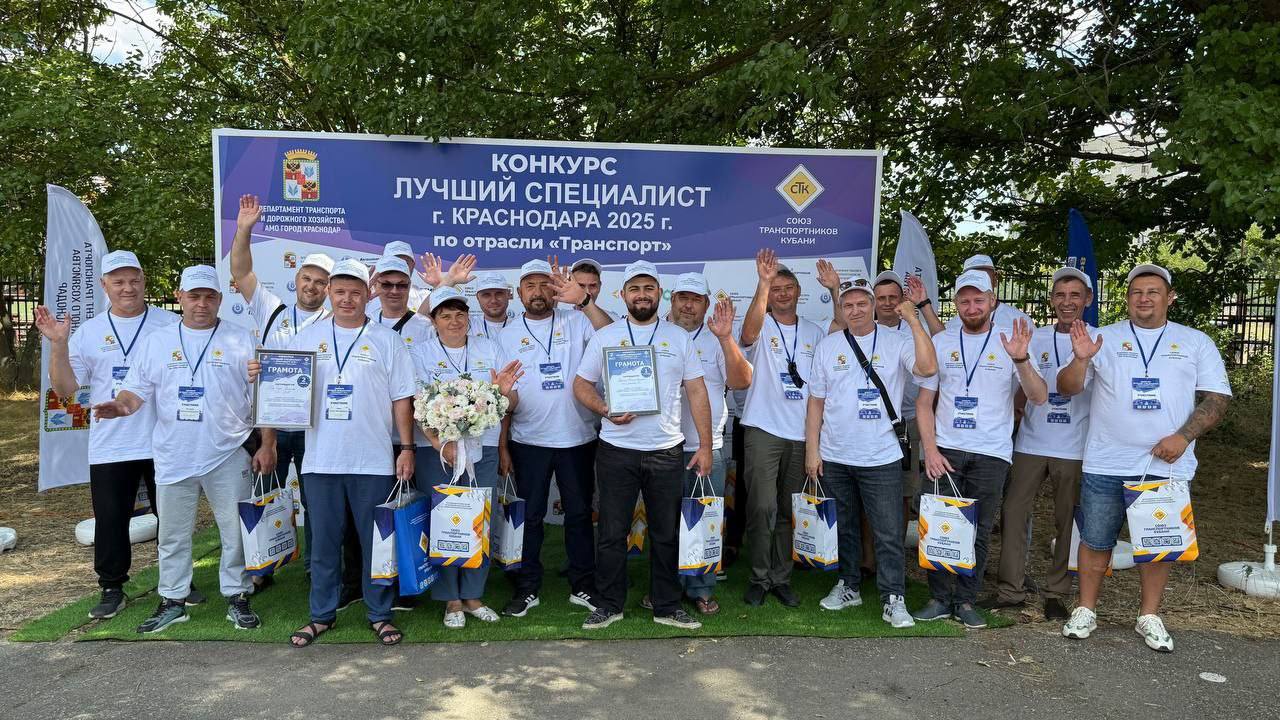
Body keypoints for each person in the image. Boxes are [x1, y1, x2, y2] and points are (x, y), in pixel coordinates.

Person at [1056, 264, 1231, 652]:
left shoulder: (1195, 342)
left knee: (1156, 543)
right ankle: (1085, 609)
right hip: (1106, 461)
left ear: (1170, 298)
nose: (1144, 298)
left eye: (1153, 292)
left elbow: (1217, 398)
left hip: (1164, 464)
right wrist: (1080, 359)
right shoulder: (1102, 337)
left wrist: (1183, 437)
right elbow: (1067, 388)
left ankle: (1149, 615)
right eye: (1136, 292)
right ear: (1127, 298)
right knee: (1095, 539)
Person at [93, 265, 273, 633]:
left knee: (234, 532)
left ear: (220, 299)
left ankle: (237, 595)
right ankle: (173, 600)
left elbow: (264, 398)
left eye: (209, 297)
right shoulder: (157, 342)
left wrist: (267, 443)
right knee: (173, 534)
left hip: (228, 450)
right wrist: (121, 406)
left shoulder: (242, 339)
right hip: (174, 454)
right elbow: (135, 391)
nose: (201, 304)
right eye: (194, 296)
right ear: (180, 297)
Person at [272, 259, 418, 647]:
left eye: (355, 292)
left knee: (376, 543)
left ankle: (380, 614)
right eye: (340, 291)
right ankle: (321, 615)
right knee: (324, 543)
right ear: (328, 292)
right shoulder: (306, 338)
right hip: (320, 460)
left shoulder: (387, 340)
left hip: (373, 460)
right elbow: (281, 388)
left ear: (368, 294)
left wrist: (406, 448)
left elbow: (402, 399)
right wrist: (263, 378)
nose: (347, 299)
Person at [34, 250, 184, 619]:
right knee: (111, 519)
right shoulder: (88, 332)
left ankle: (178, 583)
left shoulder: (171, 324)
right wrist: (58, 344)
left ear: (144, 281)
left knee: (173, 518)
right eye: (118, 282)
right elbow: (65, 389)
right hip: (112, 443)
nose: (127, 288)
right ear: (104, 286)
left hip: (166, 440)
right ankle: (112, 587)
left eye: (134, 280)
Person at [574, 260, 715, 630]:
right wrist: (605, 409)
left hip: (666, 450)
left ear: (659, 294)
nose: (641, 295)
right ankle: (609, 604)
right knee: (611, 532)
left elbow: (697, 391)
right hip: (616, 450)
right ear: (622, 295)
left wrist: (705, 445)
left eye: (649, 288)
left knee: (666, 533)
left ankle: (667, 605)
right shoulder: (605, 336)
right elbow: (581, 385)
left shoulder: (679, 338)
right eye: (634, 289)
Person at [912, 269, 1047, 629]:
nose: (971, 307)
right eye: (964, 300)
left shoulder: (1010, 342)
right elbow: (924, 403)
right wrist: (930, 451)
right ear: (956, 304)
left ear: (992, 301)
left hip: (992, 453)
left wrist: (1021, 359)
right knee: (939, 524)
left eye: (978, 300)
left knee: (979, 529)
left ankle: (966, 600)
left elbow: (1038, 396)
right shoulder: (941, 342)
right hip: (946, 450)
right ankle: (939, 599)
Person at [804, 274, 937, 627]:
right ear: (841, 308)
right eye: (848, 305)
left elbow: (927, 368)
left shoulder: (897, 340)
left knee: (887, 531)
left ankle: (893, 597)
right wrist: (812, 450)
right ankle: (849, 585)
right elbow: (816, 402)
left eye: (862, 303)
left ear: (874, 305)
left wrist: (913, 319)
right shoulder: (828, 346)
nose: (856, 310)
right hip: (836, 454)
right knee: (845, 527)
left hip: (881, 455)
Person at [229, 194, 343, 593]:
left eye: (321, 281)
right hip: (273, 427)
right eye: (307, 278)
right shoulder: (272, 309)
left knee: (317, 503)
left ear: (330, 288)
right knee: (266, 494)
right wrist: (244, 229)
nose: (312, 286)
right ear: (296, 279)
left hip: (318, 430)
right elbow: (241, 272)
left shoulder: (339, 321)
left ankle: (316, 569)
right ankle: (262, 566)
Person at [494, 258, 615, 617]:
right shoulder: (506, 335)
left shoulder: (577, 321)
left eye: (544, 284)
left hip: (578, 438)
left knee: (579, 515)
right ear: (519, 293)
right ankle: (527, 587)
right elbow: (506, 397)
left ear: (556, 289)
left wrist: (584, 301)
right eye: (529, 285)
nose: (537, 292)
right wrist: (503, 443)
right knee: (530, 517)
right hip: (528, 440)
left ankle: (583, 585)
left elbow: (614, 338)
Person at [982, 267, 1097, 619]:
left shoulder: (1098, 339)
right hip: (1031, 442)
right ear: (1052, 300)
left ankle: (1056, 592)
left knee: (1067, 520)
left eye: (1074, 295)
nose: (1067, 302)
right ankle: (1010, 590)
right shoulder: (1035, 336)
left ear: (1088, 299)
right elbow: (1019, 383)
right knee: (1014, 513)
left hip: (1074, 446)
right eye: (1060, 295)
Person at [416, 286, 522, 627]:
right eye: (445, 316)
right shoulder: (420, 352)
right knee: (445, 521)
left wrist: (504, 393)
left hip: (483, 448)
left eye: (460, 315)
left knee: (480, 520)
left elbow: (511, 402)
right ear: (434, 321)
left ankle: (474, 595)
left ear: (469, 319)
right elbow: (416, 407)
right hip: (437, 452)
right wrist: (439, 444)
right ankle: (451, 599)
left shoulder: (489, 348)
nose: (454, 321)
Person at [738, 249, 826, 607]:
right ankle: (759, 578)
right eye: (776, 289)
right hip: (763, 429)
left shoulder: (815, 332)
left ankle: (781, 578)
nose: (783, 294)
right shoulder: (761, 324)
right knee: (762, 507)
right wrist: (763, 283)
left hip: (801, 434)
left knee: (790, 511)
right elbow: (747, 333)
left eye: (788, 287)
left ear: (799, 291)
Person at [666, 273, 753, 614]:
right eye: (682, 298)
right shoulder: (657, 333)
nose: (688, 305)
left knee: (704, 520)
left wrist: (727, 338)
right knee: (665, 523)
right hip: (662, 446)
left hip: (707, 447)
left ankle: (701, 588)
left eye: (696, 299)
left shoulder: (717, 337)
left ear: (705, 305)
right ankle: (666, 587)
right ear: (671, 300)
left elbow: (742, 380)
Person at [937, 254, 1032, 335]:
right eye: (972, 275)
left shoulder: (1020, 321)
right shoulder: (951, 326)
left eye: (984, 274)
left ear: (995, 279)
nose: (978, 278)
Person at [366, 241, 431, 317]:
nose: (399, 266)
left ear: (413, 265)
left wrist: (439, 285)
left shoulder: (424, 296)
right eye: (394, 261)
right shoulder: (366, 294)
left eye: (405, 262)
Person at [469, 272, 514, 339]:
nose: (493, 300)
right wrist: (452, 281)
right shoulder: (468, 325)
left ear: (508, 294)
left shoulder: (521, 326)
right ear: (478, 297)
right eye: (486, 295)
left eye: (499, 293)